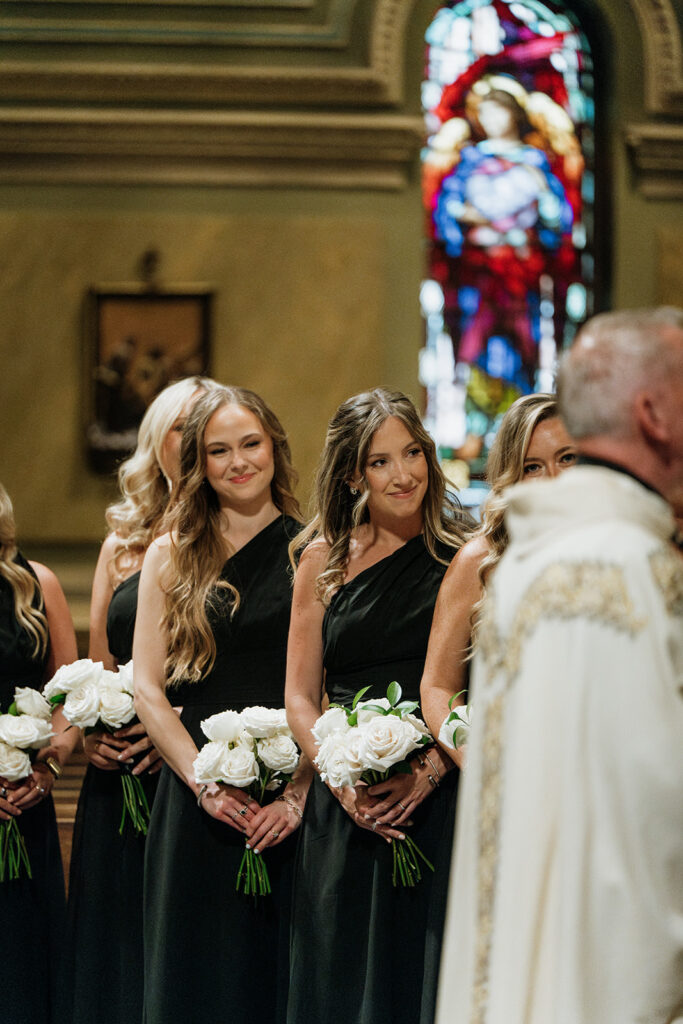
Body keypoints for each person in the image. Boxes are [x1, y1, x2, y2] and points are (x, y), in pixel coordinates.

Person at [436, 307, 683, 1024]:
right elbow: (637, 808)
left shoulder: (548, 555)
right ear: (653, 413)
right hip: (600, 974)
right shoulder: (612, 564)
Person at [285, 388, 473, 1024]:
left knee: (424, 972)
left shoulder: (465, 552)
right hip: (347, 807)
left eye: (413, 452)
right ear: (351, 473)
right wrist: (341, 779)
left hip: (439, 794)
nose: (404, 474)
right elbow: (299, 695)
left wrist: (434, 769)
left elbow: (478, 685)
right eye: (380, 461)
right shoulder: (323, 559)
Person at [133, 384, 308, 1024]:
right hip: (196, 800)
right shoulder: (168, 554)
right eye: (219, 450)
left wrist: (297, 795)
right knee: (194, 982)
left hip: (288, 806)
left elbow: (325, 690)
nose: (238, 462)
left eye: (251, 444)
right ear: (199, 466)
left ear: (274, 448)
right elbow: (148, 689)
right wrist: (204, 782)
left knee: (276, 982)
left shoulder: (313, 550)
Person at [64, 376, 215, 1024]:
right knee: (117, 949)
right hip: (121, 769)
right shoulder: (121, 544)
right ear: (156, 441)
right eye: (179, 428)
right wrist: (97, 729)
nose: (192, 442)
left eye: (205, 430)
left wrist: (186, 733)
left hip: (197, 766)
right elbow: (100, 663)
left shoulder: (231, 534)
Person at [420, 393, 577, 760]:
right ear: (513, 476)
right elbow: (438, 688)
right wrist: (476, 764)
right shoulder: (482, 559)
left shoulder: (618, 547)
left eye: (566, 458)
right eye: (532, 467)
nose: (553, 478)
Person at [0, 482, 79, 1024]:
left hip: (23, 800)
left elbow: (70, 697)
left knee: (23, 963)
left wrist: (49, 766)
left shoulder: (36, 583)